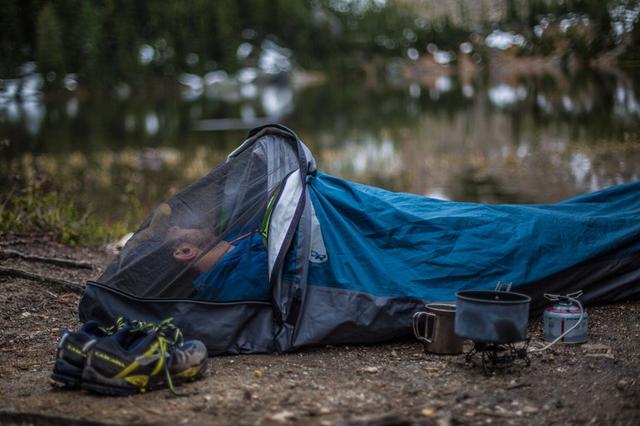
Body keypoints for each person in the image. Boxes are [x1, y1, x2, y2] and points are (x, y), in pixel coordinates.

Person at [166, 225, 270, 302]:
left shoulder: (233, 236)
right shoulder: (245, 281)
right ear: (186, 251)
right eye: (175, 232)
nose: (174, 227)